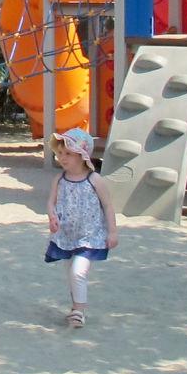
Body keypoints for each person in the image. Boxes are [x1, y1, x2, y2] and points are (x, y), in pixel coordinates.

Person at [46, 126, 118, 329]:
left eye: (68, 153)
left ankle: (79, 311)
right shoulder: (59, 179)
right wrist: (52, 216)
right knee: (70, 272)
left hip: (90, 236)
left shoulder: (95, 180)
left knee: (78, 271)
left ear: (82, 155)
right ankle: (76, 306)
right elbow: (51, 202)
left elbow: (108, 205)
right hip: (66, 235)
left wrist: (112, 232)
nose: (63, 158)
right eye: (60, 153)